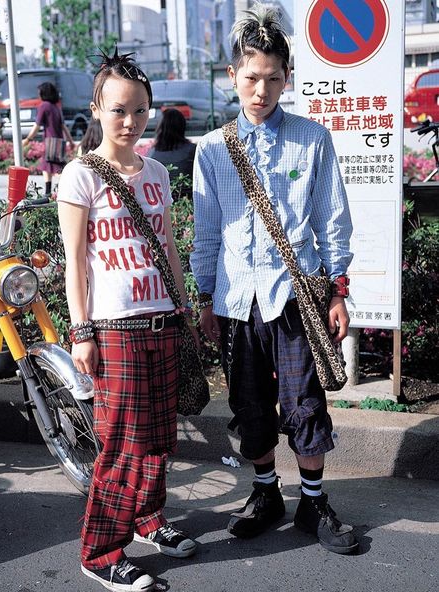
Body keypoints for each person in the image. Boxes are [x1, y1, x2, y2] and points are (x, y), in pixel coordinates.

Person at [190, 3, 358, 555]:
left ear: (287, 78)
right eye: (251, 76)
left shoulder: (312, 140)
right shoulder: (212, 150)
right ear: (233, 75)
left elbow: (333, 216)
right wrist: (207, 297)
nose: (260, 90)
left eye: (272, 78)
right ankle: (266, 493)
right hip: (238, 299)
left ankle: (313, 501)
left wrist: (337, 290)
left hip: (293, 297)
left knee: (305, 402)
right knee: (249, 406)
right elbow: (207, 231)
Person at [57, 50, 196, 592]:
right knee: (121, 444)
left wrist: (184, 307)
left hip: (162, 319)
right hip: (115, 328)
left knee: (159, 437)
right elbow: (74, 261)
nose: (129, 121)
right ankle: (100, 551)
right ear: (97, 108)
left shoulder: (157, 172)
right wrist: (82, 332)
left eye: (139, 110)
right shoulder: (81, 174)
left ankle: (148, 519)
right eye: (118, 109)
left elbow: (168, 249)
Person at [22, 81, 74, 196]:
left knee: (53, 169)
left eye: (39, 92)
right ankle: (49, 192)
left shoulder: (44, 106)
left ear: (44, 93)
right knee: (49, 167)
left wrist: (28, 139)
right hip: (60, 143)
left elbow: (37, 125)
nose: (38, 95)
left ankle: (60, 191)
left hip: (50, 142)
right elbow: (63, 126)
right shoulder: (56, 107)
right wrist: (70, 141)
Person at [147, 108, 196, 193]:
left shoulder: (151, 154)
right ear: (182, 126)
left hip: (161, 201)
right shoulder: (193, 151)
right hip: (187, 201)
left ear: (159, 127)